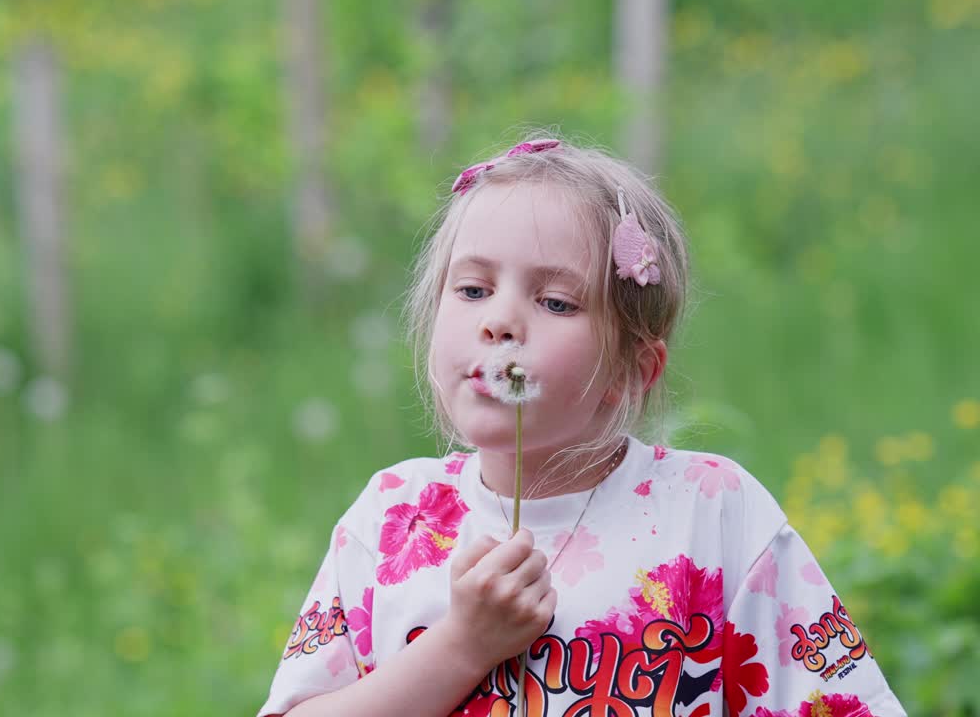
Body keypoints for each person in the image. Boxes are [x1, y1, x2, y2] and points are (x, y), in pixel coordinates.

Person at [258, 132, 906, 717]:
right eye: (473, 290)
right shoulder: (392, 519)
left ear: (633, 369)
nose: (500, 321)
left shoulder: (711, 514)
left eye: (556, 301)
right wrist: (461, 647)